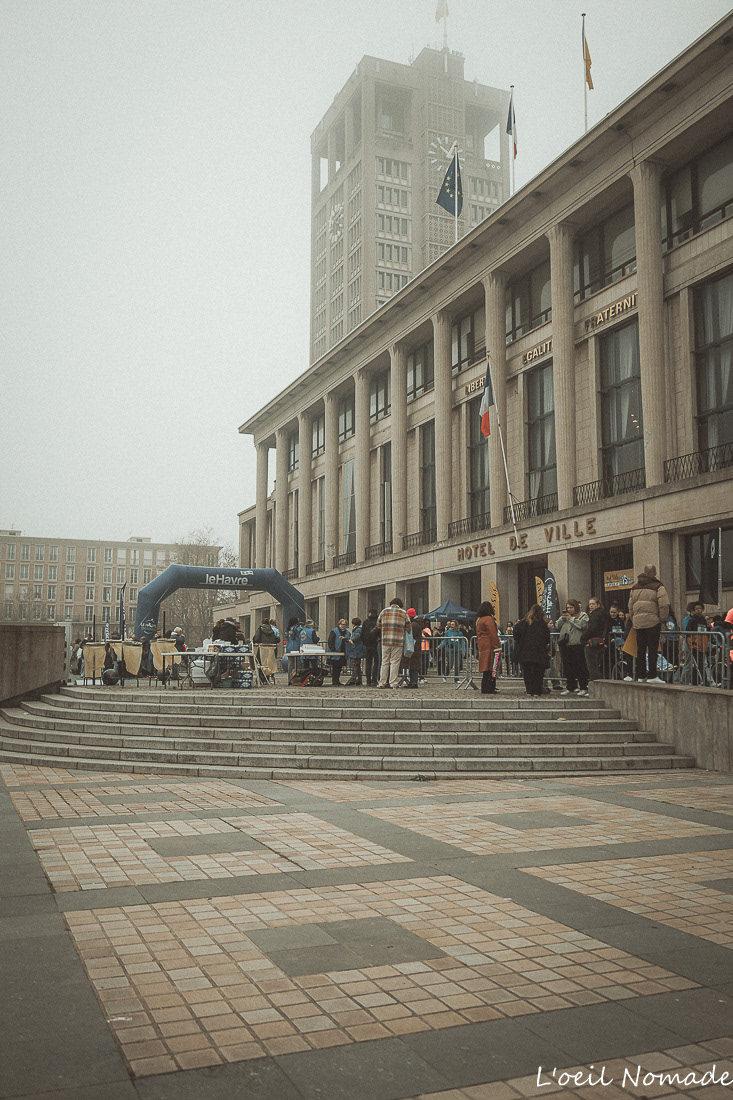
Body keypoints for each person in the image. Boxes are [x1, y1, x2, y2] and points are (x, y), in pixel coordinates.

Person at [627, 564, 670, 684]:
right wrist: (662, 619)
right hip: (653, 622)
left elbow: (630, 606)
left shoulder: (634, 588)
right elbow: (664, 604)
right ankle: (652, 675)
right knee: (652, 649)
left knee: (640, 650)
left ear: (644, 572)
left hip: (638, 623)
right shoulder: (658, 586)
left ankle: (641, 676)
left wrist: (634, 619)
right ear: (655, 573)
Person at [511, 604, 551, 697]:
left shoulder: (524, 622)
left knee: (527, 671)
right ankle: (537, 690)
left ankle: (529, 689)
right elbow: (547, 637)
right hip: (539, 652)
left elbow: (516, 632)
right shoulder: (542, 624)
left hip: (525, 651)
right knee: (538, 672)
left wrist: (520, 640)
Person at [557, 599, 590, 696]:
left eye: (571, 607)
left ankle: (583, 687)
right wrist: (562, 618)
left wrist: (571, 619)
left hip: (578, 644)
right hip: (566, 644)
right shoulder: (565, 617)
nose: (569, 610)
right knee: (568, 667)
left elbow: (582, 625)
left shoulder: (583, 615)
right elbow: (557, 625)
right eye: (567, 608)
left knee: (580, 667)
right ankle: (570, 686)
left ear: (576, 607)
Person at [377, 597, 411, 688]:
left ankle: (382, 682)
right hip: (398, 641)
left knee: (384, 662)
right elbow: (408, 627)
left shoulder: (383, 611)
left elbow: (378, 625)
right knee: (395, 662)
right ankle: (393, 683)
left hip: (385, 640)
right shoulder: (403, 613)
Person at [680, 600, 711, 685]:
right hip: (692, 645)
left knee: (702, 664)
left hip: (701, 645)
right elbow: (688, 633)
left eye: (699, 608)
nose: (698, 610)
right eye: (696, 609)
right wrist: (691, 645)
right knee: (689, 664)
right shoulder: (690, 620)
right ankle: (684, 682)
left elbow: (707, 633)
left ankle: (706, 681)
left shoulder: (703, 620)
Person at [582, 596, 612, 682]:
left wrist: (583, 637)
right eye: (590, 604)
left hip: (592, 642)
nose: (591, 606)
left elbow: (591, 629)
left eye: (593, 604)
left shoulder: (595, 615)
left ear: (598, 605)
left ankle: (595, 686)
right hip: (600, 641)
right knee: (596, 665)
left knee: (592, 667)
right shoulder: (604, 614)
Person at [476, 601, 501, 695]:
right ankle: (490, 687)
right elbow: (493, 634)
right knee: (491, 667)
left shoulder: (480, 620)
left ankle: (485, 687)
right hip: (490, 645)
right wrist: (497, 647)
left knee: (486, 669)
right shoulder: (489, 619)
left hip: (482, 645)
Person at [399, 608, 422, 688]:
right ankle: (413, 681)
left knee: (413, 665)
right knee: (413, 664)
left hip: (414, 647)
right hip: (416, 647)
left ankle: (414, 682)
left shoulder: (414, 625)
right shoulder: (416, 624)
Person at [327, 618, 350, 686]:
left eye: (345, 624)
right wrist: (333, 649)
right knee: (335, 668)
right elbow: (330, 641)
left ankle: (337, 680)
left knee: (339, 668)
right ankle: (334, 681)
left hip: (343, 653)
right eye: (342, 624)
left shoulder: (347, 632)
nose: (343, 626)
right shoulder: (334, 631)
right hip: (335, 653)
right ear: (339, 624)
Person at [361, 609, 380, 686]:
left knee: (368, 663)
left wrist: (364, 643)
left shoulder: (366, 622)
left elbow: (362, 634)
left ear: (369, 613)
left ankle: (368, 680)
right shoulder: (378, 622)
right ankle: (374, 680)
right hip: (376, 644)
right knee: (376, 663)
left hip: (367, 645)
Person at [345, 617, 365, 685]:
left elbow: (355, 638)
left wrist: (350, 640)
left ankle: (353, 679)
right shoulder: (360, 629)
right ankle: (359, 680)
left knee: (355, 664)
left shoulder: (357, 630)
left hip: (356, 649)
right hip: (359, 649)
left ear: (353, 624)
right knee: (357, 665)